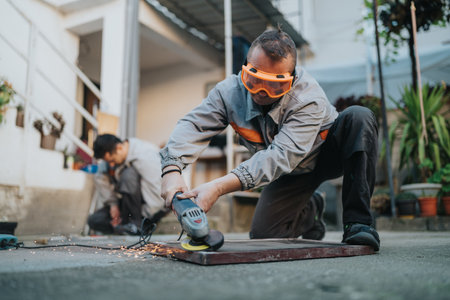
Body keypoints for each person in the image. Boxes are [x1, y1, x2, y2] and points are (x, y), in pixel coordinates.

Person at [160, 28, 380, 251]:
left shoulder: (308, 97)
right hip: (291, 173)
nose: (261, 91)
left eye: (274, 85)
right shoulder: (228, 93)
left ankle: (358, 224)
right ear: (245, 68)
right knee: (265, 235)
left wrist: (217, 187)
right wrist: (171, 169)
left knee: (358, 116)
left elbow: (280, 156)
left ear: (291, 79)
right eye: (254, 80)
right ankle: (311, 210)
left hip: (326, 155)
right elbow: (193, 125)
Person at [88, 134, 168, 235]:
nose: (111, 165)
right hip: (129, 207)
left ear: (119, 148)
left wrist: (142, 218)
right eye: (108, 162)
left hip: (153, 207)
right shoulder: (112, 154)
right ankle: (126, 229)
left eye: (112, 160)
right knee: (95, 220)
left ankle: (135, 227)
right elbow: (101, 176)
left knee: (128, 175)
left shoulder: (145, 155)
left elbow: (157, 199)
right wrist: (113, 205)